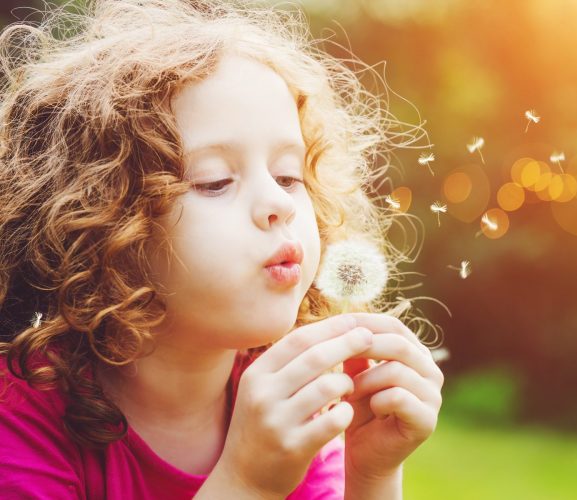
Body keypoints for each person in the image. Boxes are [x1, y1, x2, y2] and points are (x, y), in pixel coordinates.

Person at [0, 0, 444, 498]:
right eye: (214, 182)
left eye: (288, 175)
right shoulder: (18, 413)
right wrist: (247, 482)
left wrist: (373, 473)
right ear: (102, 226)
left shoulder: (290, 406)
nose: (279, 202)